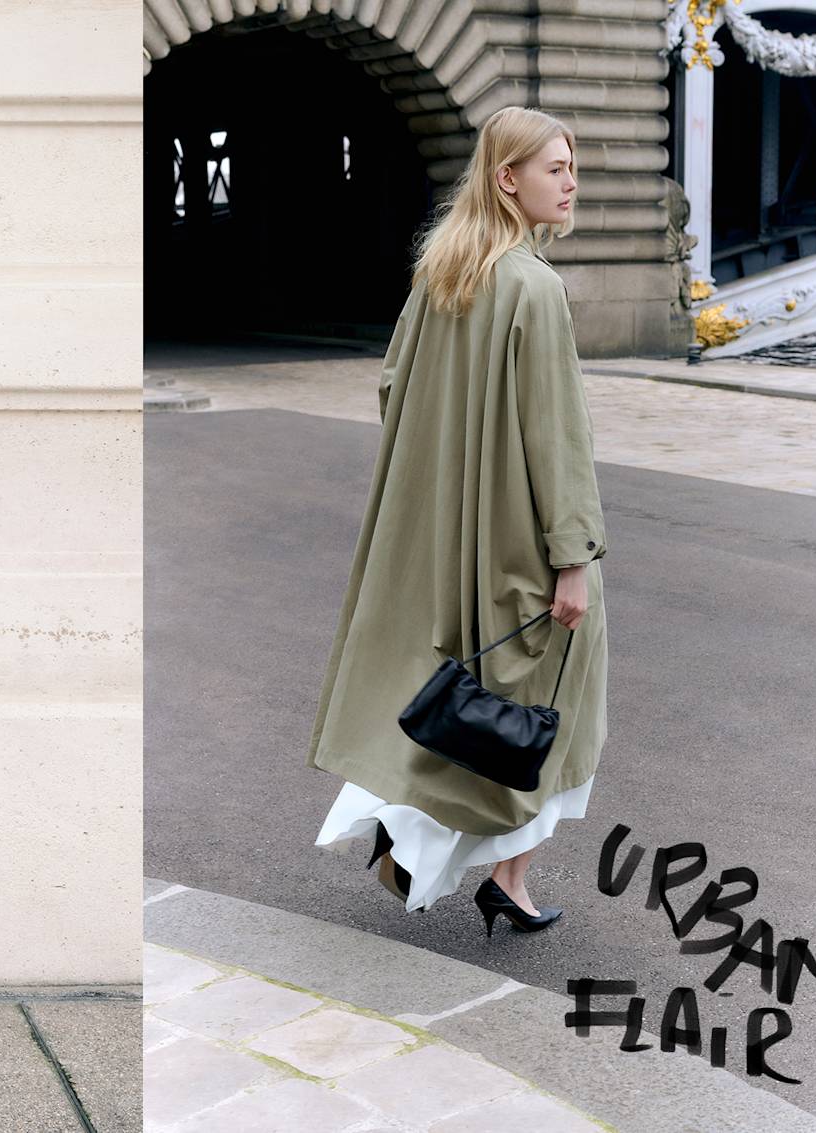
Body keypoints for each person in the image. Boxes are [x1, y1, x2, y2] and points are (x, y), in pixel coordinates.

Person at [306, 106, 606, 936]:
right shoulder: (533, 288)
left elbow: (392, 393)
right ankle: (422, 843)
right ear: (508, 178)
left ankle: (503, 877)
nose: (571, 182)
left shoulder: (444, 272)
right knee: (543, 708)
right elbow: (559, 440)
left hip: (446, 529)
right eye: (555, 168)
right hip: (525, 539)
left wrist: (451, 466)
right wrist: (573, 556)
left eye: (572, 167)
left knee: (468, 695)